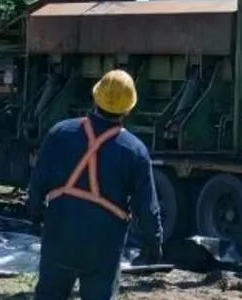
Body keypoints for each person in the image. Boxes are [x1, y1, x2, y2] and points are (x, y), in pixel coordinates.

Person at [28, 69, 163, 300]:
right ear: (130, 108)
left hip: (59, 237)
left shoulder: (59, 133)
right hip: (102, 247)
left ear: (95, 97)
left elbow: (37, 184)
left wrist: (36, 216)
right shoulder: (135, 151)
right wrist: (154, 244)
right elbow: (147, 208)